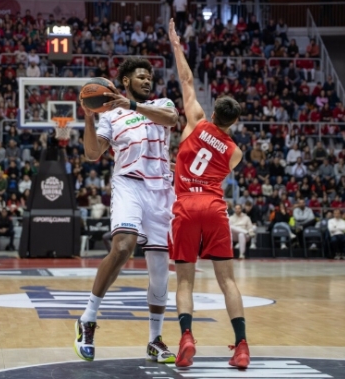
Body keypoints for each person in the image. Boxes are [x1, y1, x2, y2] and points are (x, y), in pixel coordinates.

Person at [73, 57, 178, 362]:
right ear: (127, 81)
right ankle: (88, 318)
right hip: (129, 184)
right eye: (141, 77)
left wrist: (131, 105)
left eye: (149, 77)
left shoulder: (161, 103)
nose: (147, 81)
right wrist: (90, 118)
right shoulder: (111, 115)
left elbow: (171, 120)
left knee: (159, 272)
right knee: (123, 246)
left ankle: (155, 340)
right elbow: (93, 154)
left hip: (161, 190)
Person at [168, 19, 250, 369]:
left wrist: (176, 43)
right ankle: (242, 346)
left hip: (186, 206)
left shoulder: (196, 122)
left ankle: (187, 337)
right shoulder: (235, 152)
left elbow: (186, 79)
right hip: (215, 208)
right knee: (228, 280)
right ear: (233, 122)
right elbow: (219, 159)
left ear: (214, 111)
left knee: (185, 280)